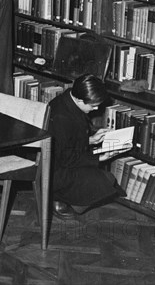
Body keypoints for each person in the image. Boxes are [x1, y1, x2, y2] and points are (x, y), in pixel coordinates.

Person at [47, 73, 126, 218]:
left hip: (61, 160)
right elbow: (67, 158)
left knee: (105, 181)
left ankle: (63, 198)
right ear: (78, 99)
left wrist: (91, 140)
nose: (96, 109)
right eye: (93, 105)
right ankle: (56, 198)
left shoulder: (67, 100)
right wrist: (99, 158)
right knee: (107, 181)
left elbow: (67, 142)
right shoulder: (62, 117)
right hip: (56, 172)